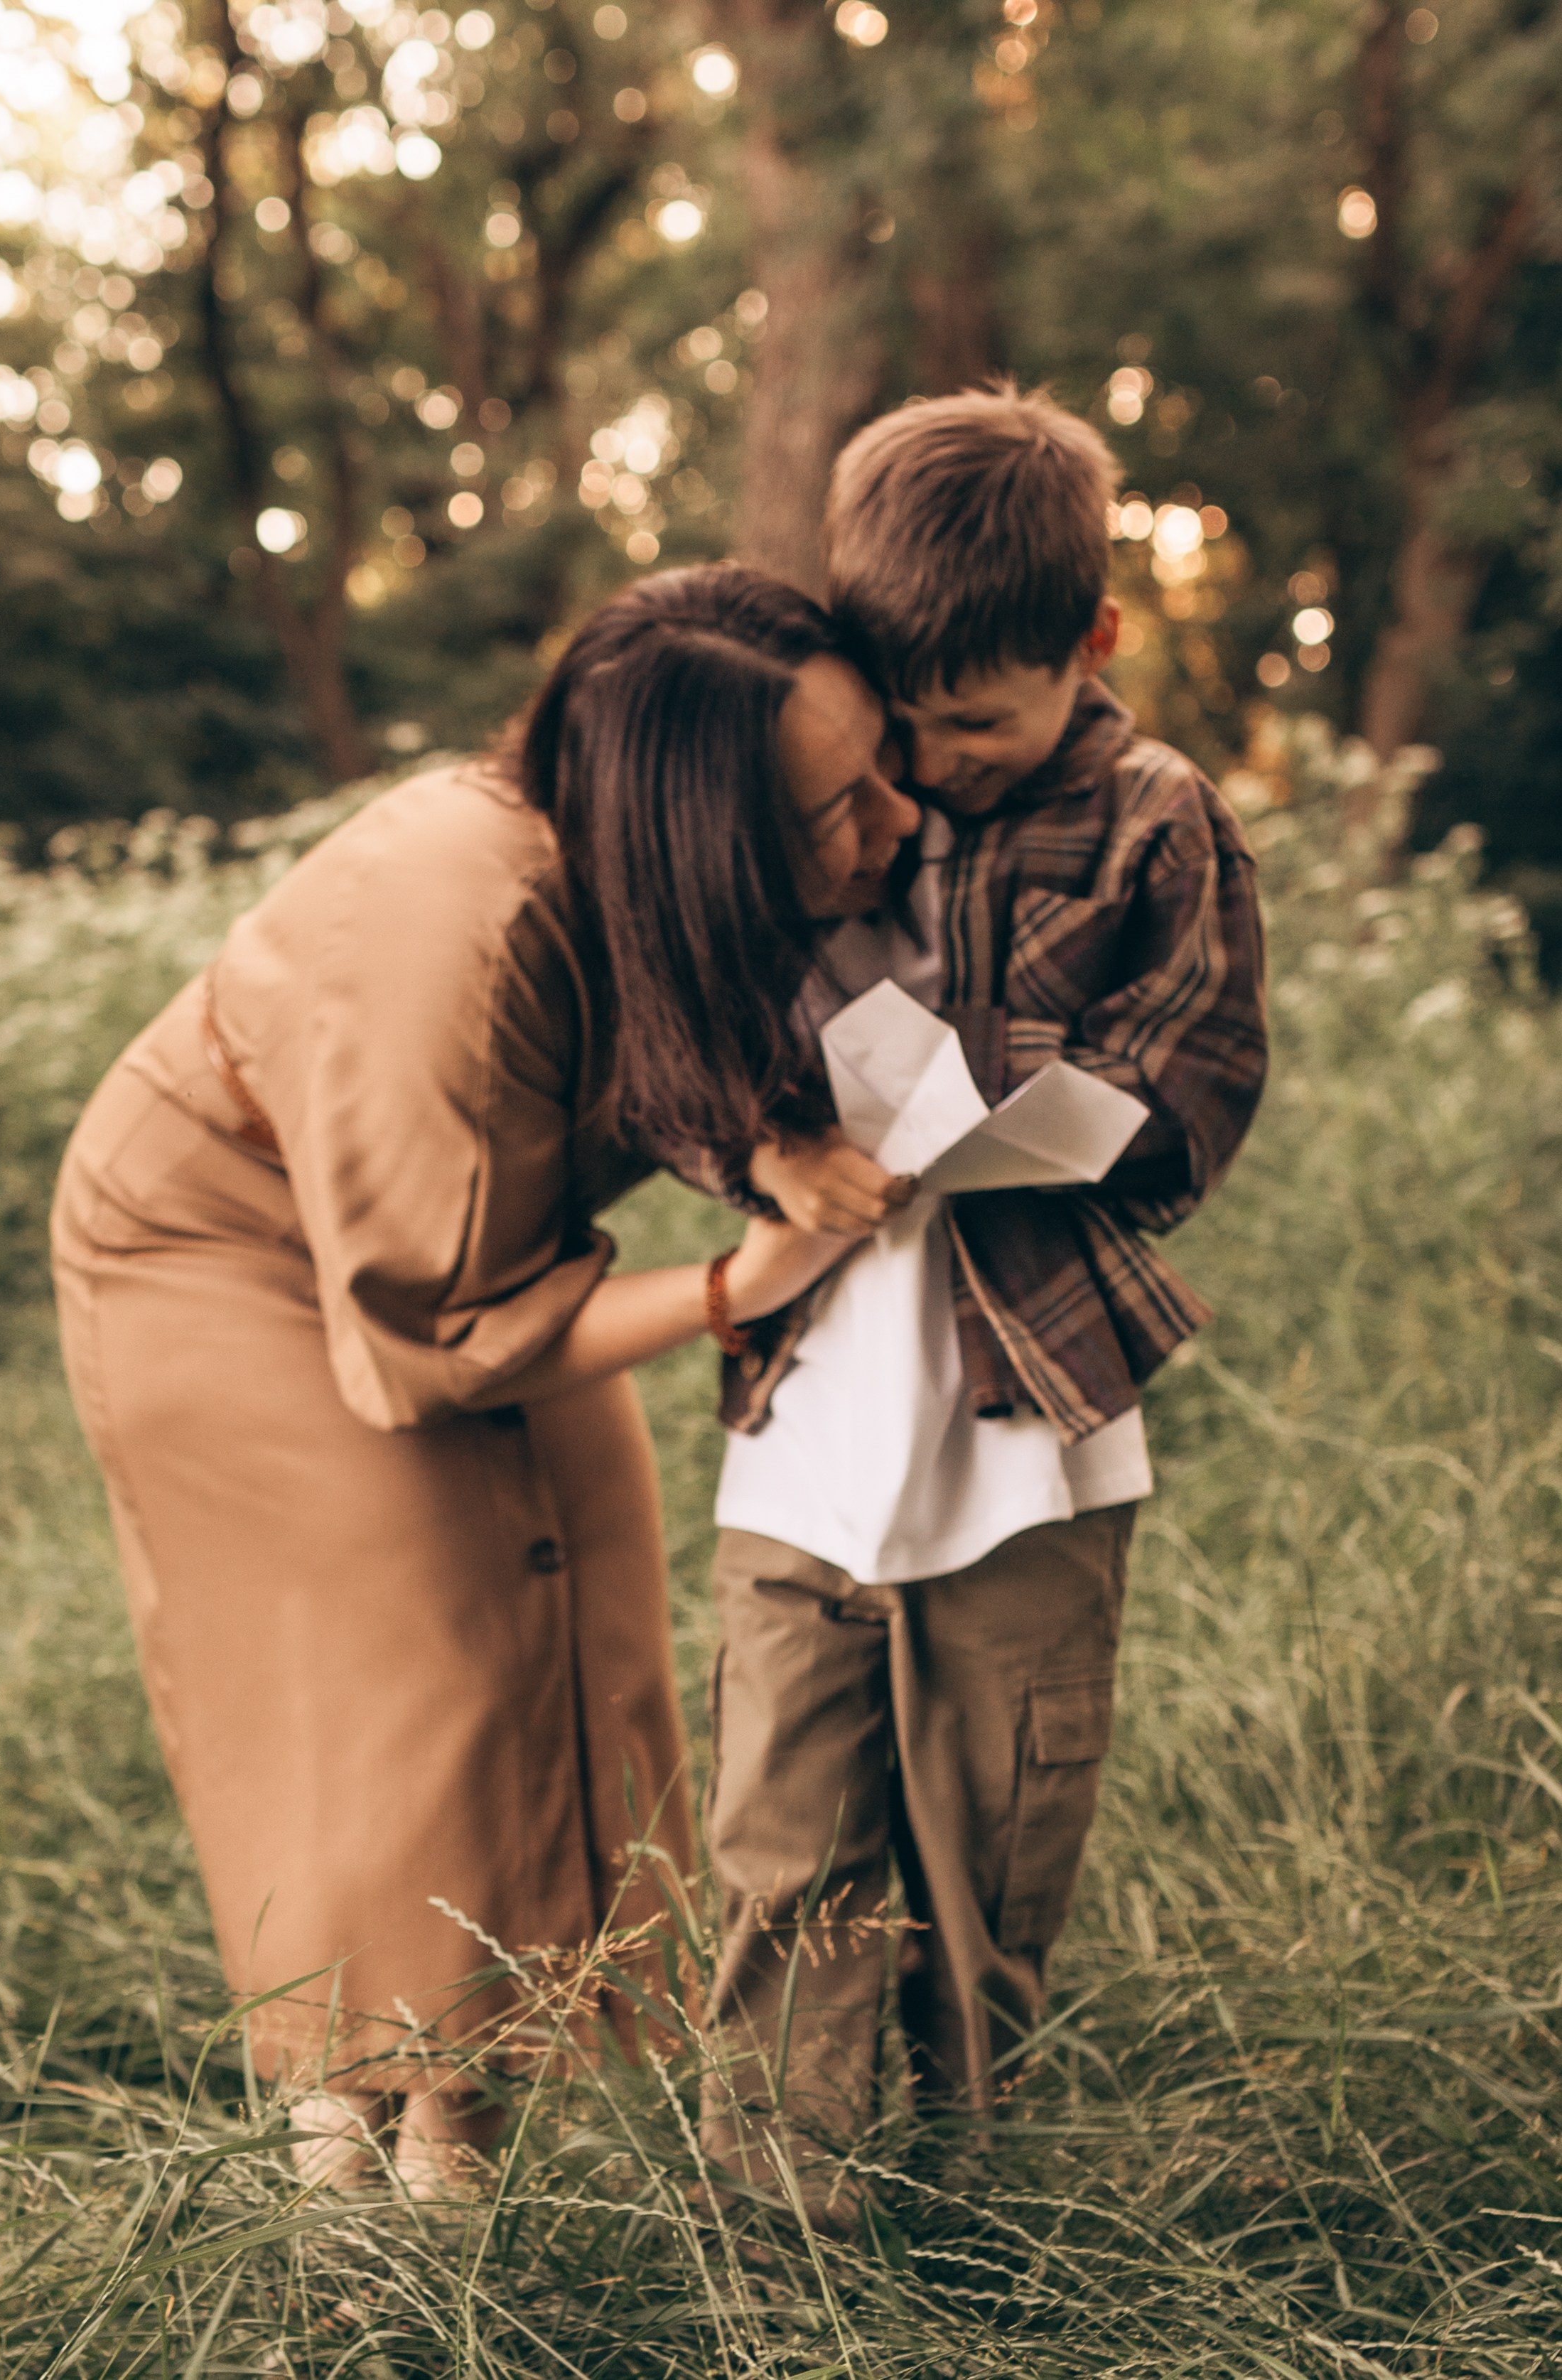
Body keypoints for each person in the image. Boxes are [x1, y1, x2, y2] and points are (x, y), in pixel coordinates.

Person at [50, 564, 916, 2196]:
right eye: (837, 807)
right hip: (223, 1248)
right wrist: (731, 1286)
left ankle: (478, 2107)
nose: (895, 821)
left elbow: (641, 1057)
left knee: (584, 1596)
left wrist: (766, 1146)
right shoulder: (467, 929)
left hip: (460, 1233)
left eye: (885, 768)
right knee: (430, 1657)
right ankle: (359, 2172)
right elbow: (436, 1347)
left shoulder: (642, 874)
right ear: (695, 832)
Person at [701, 387, 1269, 2176]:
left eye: (980, 725)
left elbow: (1195, 1091)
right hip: (805, 1429)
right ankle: (774, 2235)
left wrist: (1001, 1104)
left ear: (1089, 643)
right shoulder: (807, 786)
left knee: (994, 1864)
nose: (935, 766)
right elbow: (692, 1033)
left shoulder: (1157, 821)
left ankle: (972, 2211)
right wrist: (772, 1146)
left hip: (1031, 1427)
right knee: (780, 1852)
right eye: (907, 721)